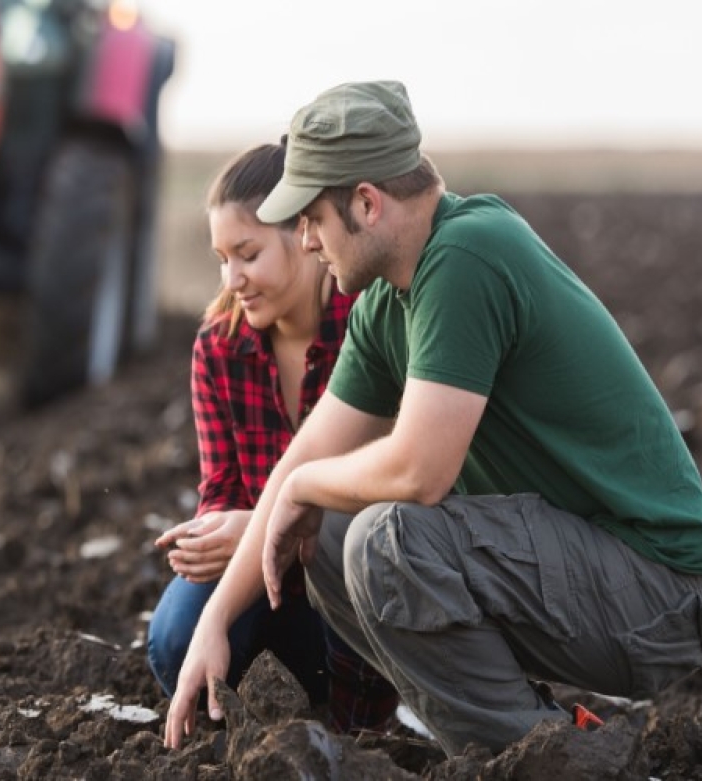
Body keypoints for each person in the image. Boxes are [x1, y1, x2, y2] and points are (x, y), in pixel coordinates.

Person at [164, 80, 702, 756]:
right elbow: (304, 459)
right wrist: (215, 621)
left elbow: (419, 470)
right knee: (332, 534)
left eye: (312, 219)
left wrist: (300, 488)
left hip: (659, 588)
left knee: (386, 538)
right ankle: (541, 741)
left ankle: (562, 762)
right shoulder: (384, 305)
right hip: (578, 569)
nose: (308, 242)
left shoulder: (467, 255)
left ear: (367, 204)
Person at [147, 141, 398, 734]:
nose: (232, 278)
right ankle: (255, 724)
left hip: (355, 586)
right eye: (220, 259)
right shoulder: (218, 345)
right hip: (262, 584)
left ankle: (356, 730)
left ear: (305, 234)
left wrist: (263, 527)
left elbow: (389, 485)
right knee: (174, 637)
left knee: (349, 541)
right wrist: (222, 529)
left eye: (248, 254)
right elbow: (220, 486)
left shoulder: (367, 324)